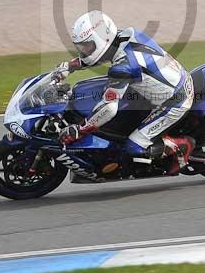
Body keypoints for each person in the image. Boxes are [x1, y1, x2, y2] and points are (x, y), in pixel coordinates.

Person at [54, 11, 195, 175]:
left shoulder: (123, 68)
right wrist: (69, 67)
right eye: (82, 47)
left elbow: (108, 109)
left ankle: (180, 146)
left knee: (134, 146)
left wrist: (79, 129)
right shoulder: (127, 34)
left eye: (87, 46)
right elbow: (98, 55)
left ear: (101, 40)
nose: (84, 50)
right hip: (169, 82)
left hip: (175, 101)